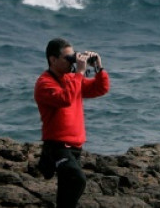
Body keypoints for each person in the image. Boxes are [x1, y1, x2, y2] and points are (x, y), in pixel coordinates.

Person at [34, 38, 110, 208]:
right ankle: (47, 160)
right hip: (57, 145)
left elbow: (100, 89)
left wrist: (98, 67)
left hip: (75, 145)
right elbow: (66, 99)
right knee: (77, 180)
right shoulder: (44, 83)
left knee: (67, 188)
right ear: (53, 60)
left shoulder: (71, 79)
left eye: (73, 57)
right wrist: (80, 73)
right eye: (68, 58)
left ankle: (46, 164)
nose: (73, 62)